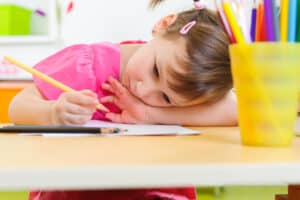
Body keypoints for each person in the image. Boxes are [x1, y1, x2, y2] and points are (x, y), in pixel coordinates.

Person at [9, 0, 237, 199]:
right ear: (163, 24)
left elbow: (236, 111)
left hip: (152, 191)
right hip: (75, 190)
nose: (144, 90)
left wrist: (149, 115)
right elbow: (17, 106)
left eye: (166, 98)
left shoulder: (183, 86)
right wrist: (53, 112)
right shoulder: (87, 65)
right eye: (155, 70)